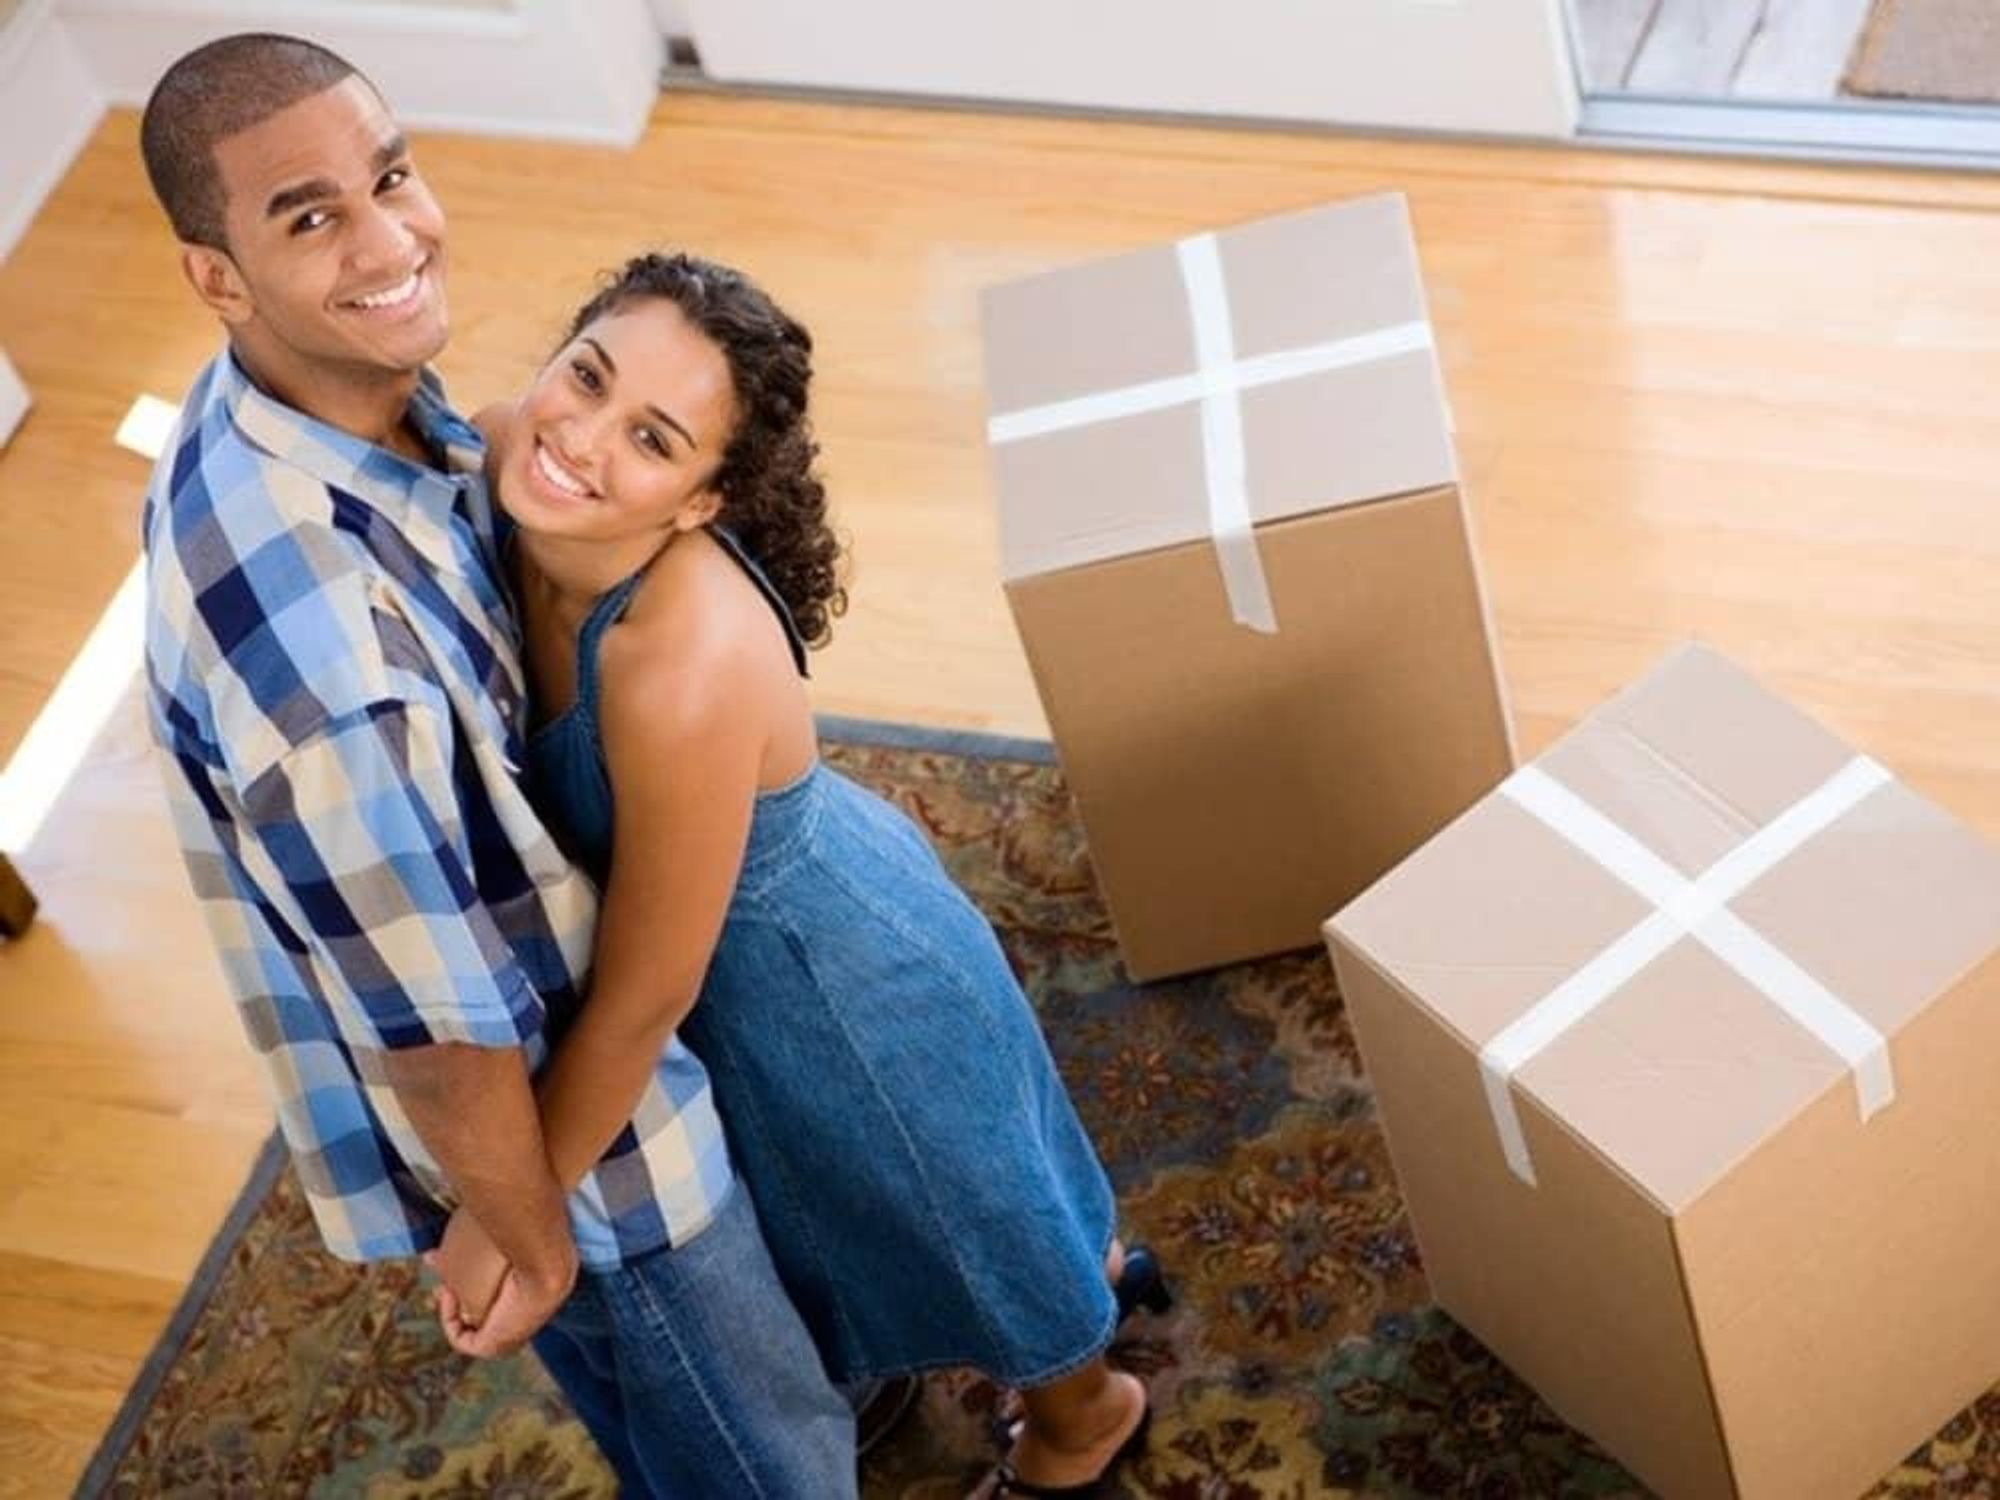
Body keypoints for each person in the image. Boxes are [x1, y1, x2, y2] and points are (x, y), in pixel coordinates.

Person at [137, 35, 856, 1497]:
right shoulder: (339, 683)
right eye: (311, 217)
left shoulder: (306, 393)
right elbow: (439, 1031)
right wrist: (524, 1229)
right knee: (770, 1458)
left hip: (548, 1050)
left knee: (674, 1420)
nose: (394, 239)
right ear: (218, 275)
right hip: (588, 1156)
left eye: (389, 175)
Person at [431, 250, 1163, 1496]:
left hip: (830, 977)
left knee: (955, 1214)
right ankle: (1072, 1281)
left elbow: (642, 1000)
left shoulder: (678, 665)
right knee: (879, 1220)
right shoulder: (513, 451)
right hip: (731, 957)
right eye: (586, 376)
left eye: (651, 439)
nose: (580, 441)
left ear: (701, 501)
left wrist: (512, 1213)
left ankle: (1086, 1412)